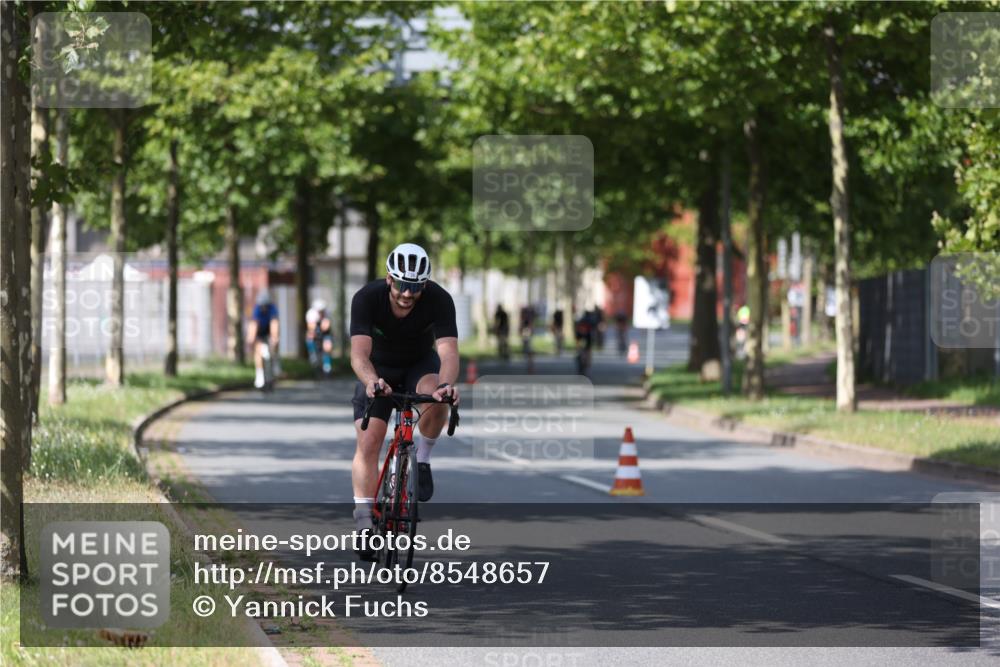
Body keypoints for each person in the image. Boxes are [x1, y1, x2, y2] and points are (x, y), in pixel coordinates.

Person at [349, 243, 459, 561]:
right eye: (401, 285)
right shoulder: (367, 298)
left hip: (418, 365)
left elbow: (448, 353)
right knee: (369, 441)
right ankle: (364, 523)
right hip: (378, 370)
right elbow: (358, 354)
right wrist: (371, 382)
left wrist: (447, 385)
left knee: (436, 396)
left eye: (415, 287)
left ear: (424, 284)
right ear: (389, 279)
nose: (407, 294)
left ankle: (421, 459)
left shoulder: (439, 300)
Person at [247, 291, 279, 389]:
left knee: (273, 347)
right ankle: (260, 375)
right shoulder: (257, 310)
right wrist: (251, 337)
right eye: (262, 306)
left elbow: (274, 324)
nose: (263, 308)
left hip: (269, 330)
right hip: (260, 331)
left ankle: (275, 364)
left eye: (265, 306)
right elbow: (254, 324)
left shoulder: (273, 309)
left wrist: (274, 338)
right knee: (259, 351)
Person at [305, 299, 333, 375]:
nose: (321, 312)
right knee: (310, 337)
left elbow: (326, 327)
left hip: (325, 333)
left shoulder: (327, 313)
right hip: (314, 330)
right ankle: (313, 355)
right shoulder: (310, 314)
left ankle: (327, 366)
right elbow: (311, 327)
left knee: (327, 346)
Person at [574, 310, 594, 377]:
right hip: (582, 342)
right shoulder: (579, 328)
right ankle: (581, 366)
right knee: (581, 355)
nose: (583, 329)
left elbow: (590, 342)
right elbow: (577, 339)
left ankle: (586, 369)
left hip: (587, 342)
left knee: (587, 357)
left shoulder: (588, 328)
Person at [519, 304, 536, 373]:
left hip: (526, 332)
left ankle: (530, 366)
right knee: (527, 348)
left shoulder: (526, 318)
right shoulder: (526, 317)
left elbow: (529, 325)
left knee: (528, 349)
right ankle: (530, 365)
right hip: (526, 332)